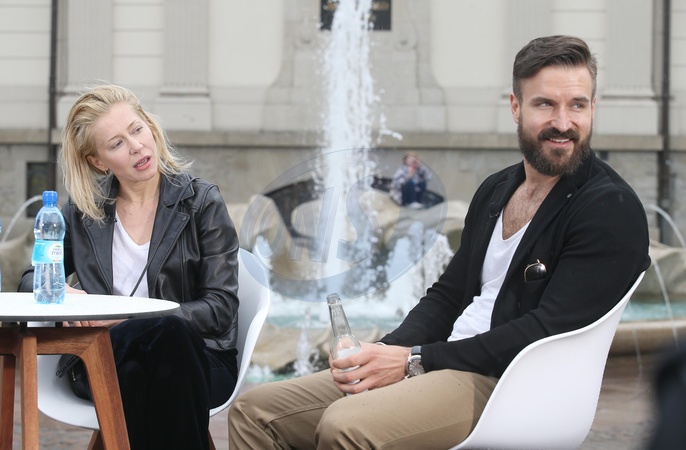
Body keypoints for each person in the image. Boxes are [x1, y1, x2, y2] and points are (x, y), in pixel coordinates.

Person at [228, 35, 652, 449]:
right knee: (255, 412)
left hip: (512, 386)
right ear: (516, 107)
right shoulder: (498, 189)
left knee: (346, 425)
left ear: (593, 107)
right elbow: (448, 296)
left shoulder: (609, 208)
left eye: (577, 105)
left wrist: (414, 359)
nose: (562, 122)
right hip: (446, 363)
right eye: (545, 104)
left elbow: (546, 332)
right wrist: (386, 351)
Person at [18, 84, 239, 450]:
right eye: (117, 143)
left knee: (160, 348)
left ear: (150, 127)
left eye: (137, 129)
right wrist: (65, 292)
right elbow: (29, 279)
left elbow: (221, 309)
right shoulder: (83, 213)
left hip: (199, 357)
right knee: (151, 361)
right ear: (98, 162)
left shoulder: (201, 203)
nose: (136, 146)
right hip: (104, 354)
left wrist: (130, 318)